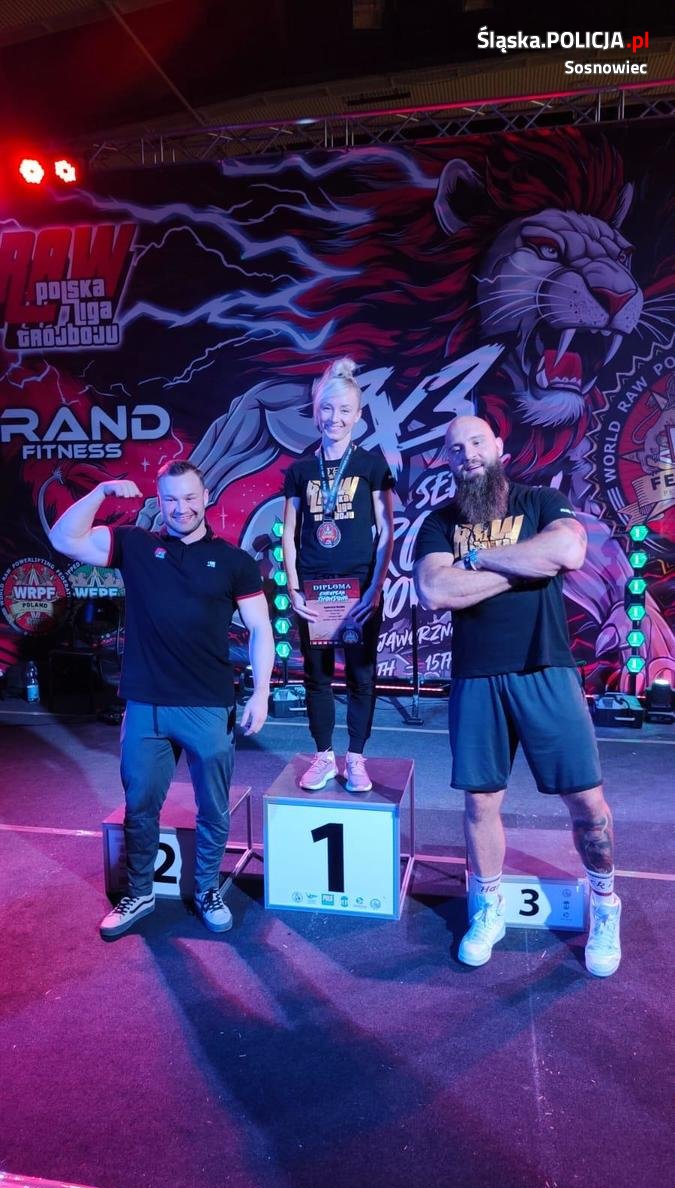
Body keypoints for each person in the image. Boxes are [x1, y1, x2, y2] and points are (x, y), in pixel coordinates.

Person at [413, 415, 621, 977]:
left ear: (498, 447)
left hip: (546, 667)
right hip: (476, 677)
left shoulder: (539, 501)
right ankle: (489, 907)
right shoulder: (440, 522)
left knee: (588, 805)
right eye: (455, 448)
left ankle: (605, 904)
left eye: (477, 442)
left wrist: (477, 560)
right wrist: (527, 566)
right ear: (448, 460)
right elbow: (434, 589)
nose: (467, 454)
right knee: (480, 804)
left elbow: (569, 551)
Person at [49, 460, 274, 940]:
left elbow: (260, 628)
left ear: (206, 497)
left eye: (189, 497)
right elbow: (64, 539)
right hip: (146, 705)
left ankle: (208, 889)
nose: (181, 508)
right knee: (140, 807)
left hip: (207, 705)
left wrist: (261, 692)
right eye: (171, 499)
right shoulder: (135, 544)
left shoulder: (233, 561)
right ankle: (140, 892)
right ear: (159, 501)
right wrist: (102, 493)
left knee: (213, 808)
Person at [282, 358, 394, 792]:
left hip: (358, 589)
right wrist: (293, 588)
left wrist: (376, 588)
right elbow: (289, 533)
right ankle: (324, 756)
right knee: (317, 675)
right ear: (316, 412)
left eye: (345, 410)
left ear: (358, 415)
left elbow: (386, 531)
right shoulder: (300, 471)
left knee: (361, 675)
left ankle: (357, 758)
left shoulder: (372, 466)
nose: (335, 418)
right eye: (327, 409)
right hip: (314, 588)